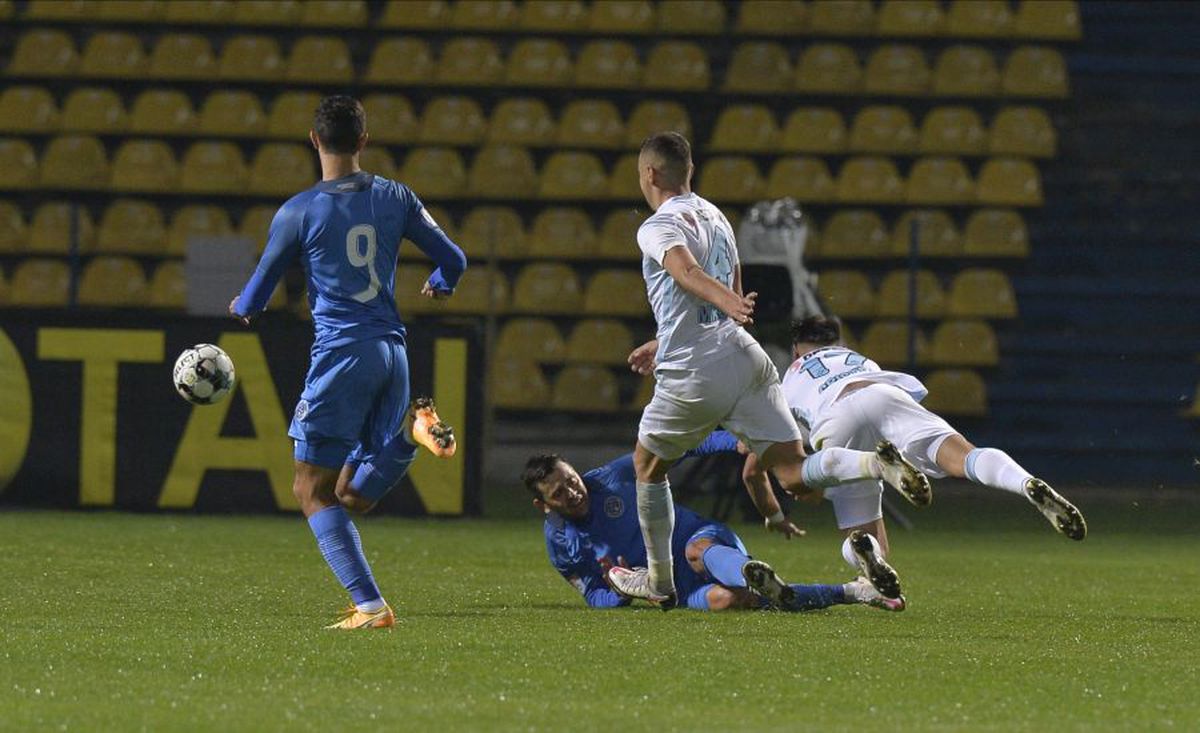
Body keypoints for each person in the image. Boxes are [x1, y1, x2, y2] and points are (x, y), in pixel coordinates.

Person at [614, 132, 929, 606]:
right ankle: (873, 463)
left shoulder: (657, 226)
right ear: (691, 172)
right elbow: (727, 282)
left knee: (648, 466)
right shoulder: (715, 215)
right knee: (794, 474)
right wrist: (685, 328)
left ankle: (659, 581)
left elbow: (687, 273)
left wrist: (723, 305)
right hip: (746, 357)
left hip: (696, 371)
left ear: (650, 174)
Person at [229, 95, 467, 630]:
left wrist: (243, 308)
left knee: (309, 490)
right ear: (363, 140)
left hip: (342, 355)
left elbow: (259, 290)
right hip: (393, 352)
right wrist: (441, 282)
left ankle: (371, 606)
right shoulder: (397, 196)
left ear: (314, 141)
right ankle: (411, 432)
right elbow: (455, 258)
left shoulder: (299, 210)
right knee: (348, 494)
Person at [745, 315, 1087, 575]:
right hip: (883, 391)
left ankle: (867, 541)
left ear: (794, 351)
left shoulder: (787, 378)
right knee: (964, 456)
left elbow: (754, 469)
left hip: (835, 416)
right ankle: (1025, 483)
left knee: (825, 494)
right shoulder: (857, 359)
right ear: (840, 342)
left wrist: (777, 511)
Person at [521, 436, 906, 613]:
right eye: (559, 493)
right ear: (543, 505)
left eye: (571, 480)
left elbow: (677, 446)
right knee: (730, 602)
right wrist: (622, 595)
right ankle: (853, 592)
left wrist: (733, 443)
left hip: (700, 541)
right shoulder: (560, 543)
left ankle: (748, 571)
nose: (573, 491)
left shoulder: (610, 477)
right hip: (668, 589)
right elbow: (591, 593)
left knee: (695, 552)